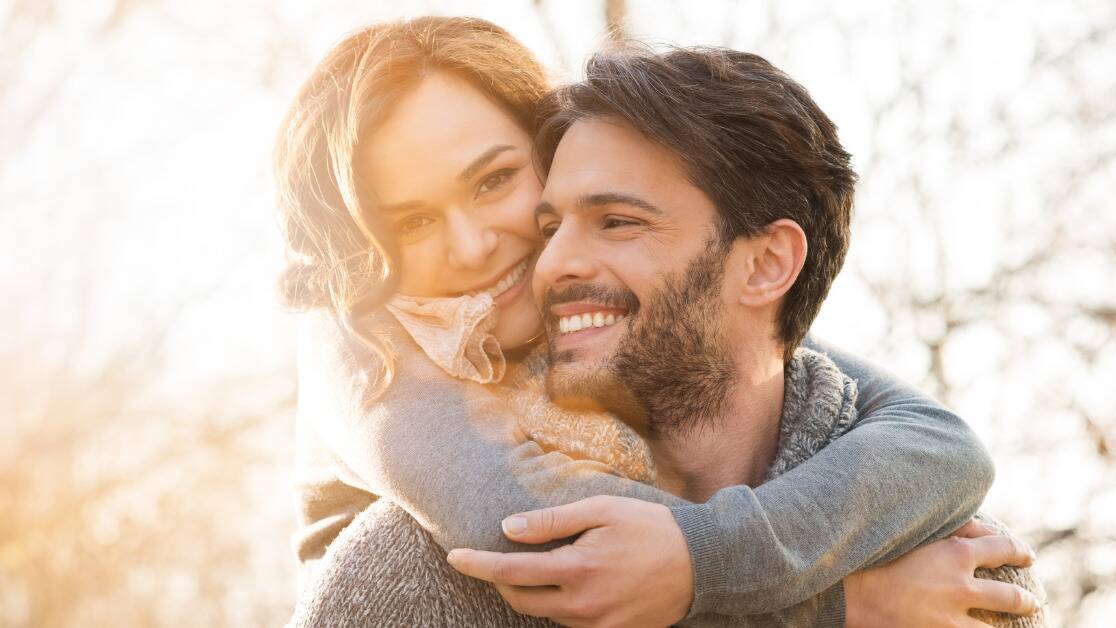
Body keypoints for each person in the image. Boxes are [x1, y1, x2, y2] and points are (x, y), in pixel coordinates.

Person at [275, 17, 1043, 627]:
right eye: (408, 223)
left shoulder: (597, 307)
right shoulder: (362, 338)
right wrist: (841, 606)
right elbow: (544, 540)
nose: (475, 246)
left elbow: (938, 440)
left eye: (496, 179)